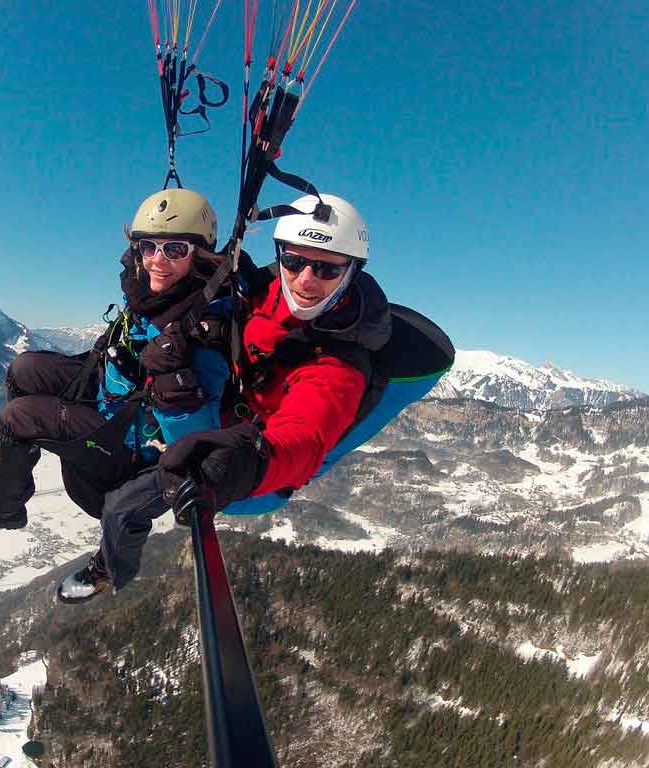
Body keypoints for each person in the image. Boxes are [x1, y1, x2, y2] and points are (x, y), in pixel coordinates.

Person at [60, 193, 397, 599]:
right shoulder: (265, 291)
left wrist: (247, 461)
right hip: (221, 410)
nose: (305, 279)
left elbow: (305, 436)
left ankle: (110, 572)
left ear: (351, 272)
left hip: (248, 465)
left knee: (122, 505)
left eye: (325, 268)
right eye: (293, 261)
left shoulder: (340, 364)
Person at [0, 189, 233, 591]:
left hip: (132, 443)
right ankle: (16, 452)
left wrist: (175, 385)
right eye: (148, 246)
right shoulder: (158, 294)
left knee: (17, 417)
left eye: (175, 248)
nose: (158, 259)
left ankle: (3, 508)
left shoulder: (203, 331)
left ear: (202, 256)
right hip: (111, 394)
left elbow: (196, 445)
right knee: (23, 368)